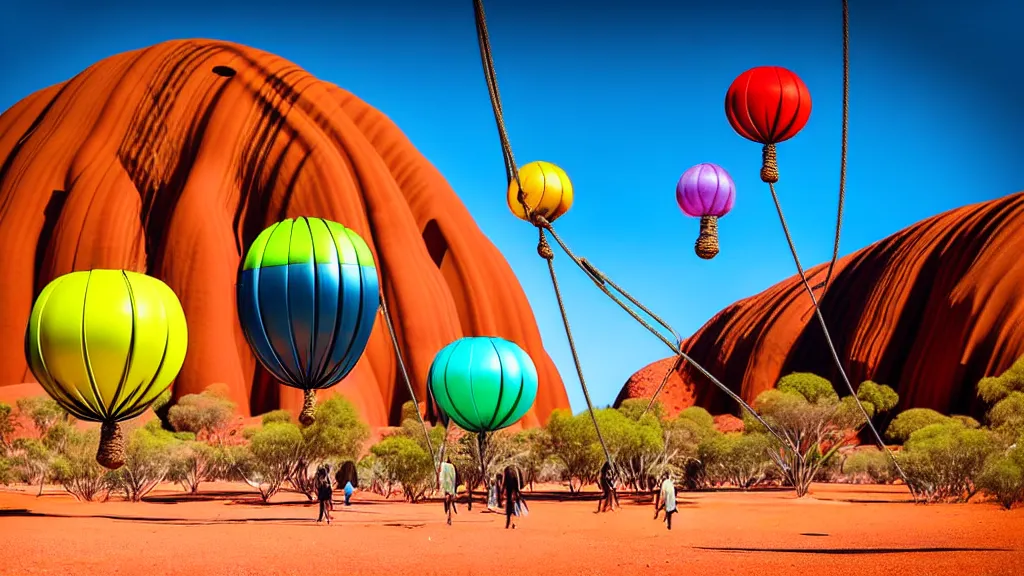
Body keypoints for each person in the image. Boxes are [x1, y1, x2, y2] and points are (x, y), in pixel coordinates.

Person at [503, 465, 523, 529]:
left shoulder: (507, 471)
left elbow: (504, 483)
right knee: (514, 508)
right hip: (513, 493)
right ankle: (513, 523)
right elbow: (518, 485)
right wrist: (517, 492)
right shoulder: (515, 471)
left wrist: (502, 491)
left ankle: (508, 523)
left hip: (510, 493)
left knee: (509, 508)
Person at [439, 457, 458, 525]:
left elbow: (442, 476)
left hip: (447, 486)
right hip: (451, 487)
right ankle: (449, 517)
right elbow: (454, 478)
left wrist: (441, 486)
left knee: (448, 502)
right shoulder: (452, 467)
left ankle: (449, 516)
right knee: (450, 503)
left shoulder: (444, 465)